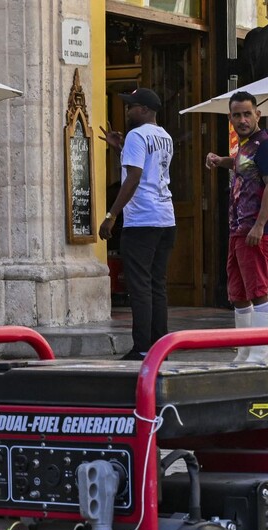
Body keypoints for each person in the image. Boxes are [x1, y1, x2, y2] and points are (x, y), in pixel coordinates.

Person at [98, 88, 176, 361]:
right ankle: (160, 346)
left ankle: (142, 347)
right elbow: (151, 168)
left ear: (143, 110)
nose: (127, 110)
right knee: (157, 284)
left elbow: (133, 178)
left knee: (139, 285)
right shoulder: (164, 136)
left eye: (131, 106)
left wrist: (112, 215)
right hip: (166, 217)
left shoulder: (136, 135)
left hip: (142, 218)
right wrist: (120, 148)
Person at [205, 91, 268, 364]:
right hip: (238, 228)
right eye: (237, 115)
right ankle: (245, 349)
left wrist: (260, 225)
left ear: (257, 115)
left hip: (256, 230)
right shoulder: (245, 146)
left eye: (247, 113)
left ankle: (261, 353)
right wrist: (220, 160)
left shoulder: (265, 145)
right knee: (238, 293)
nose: (242, 119)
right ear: (231, 118)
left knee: (258, 290)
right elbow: (241, 166)